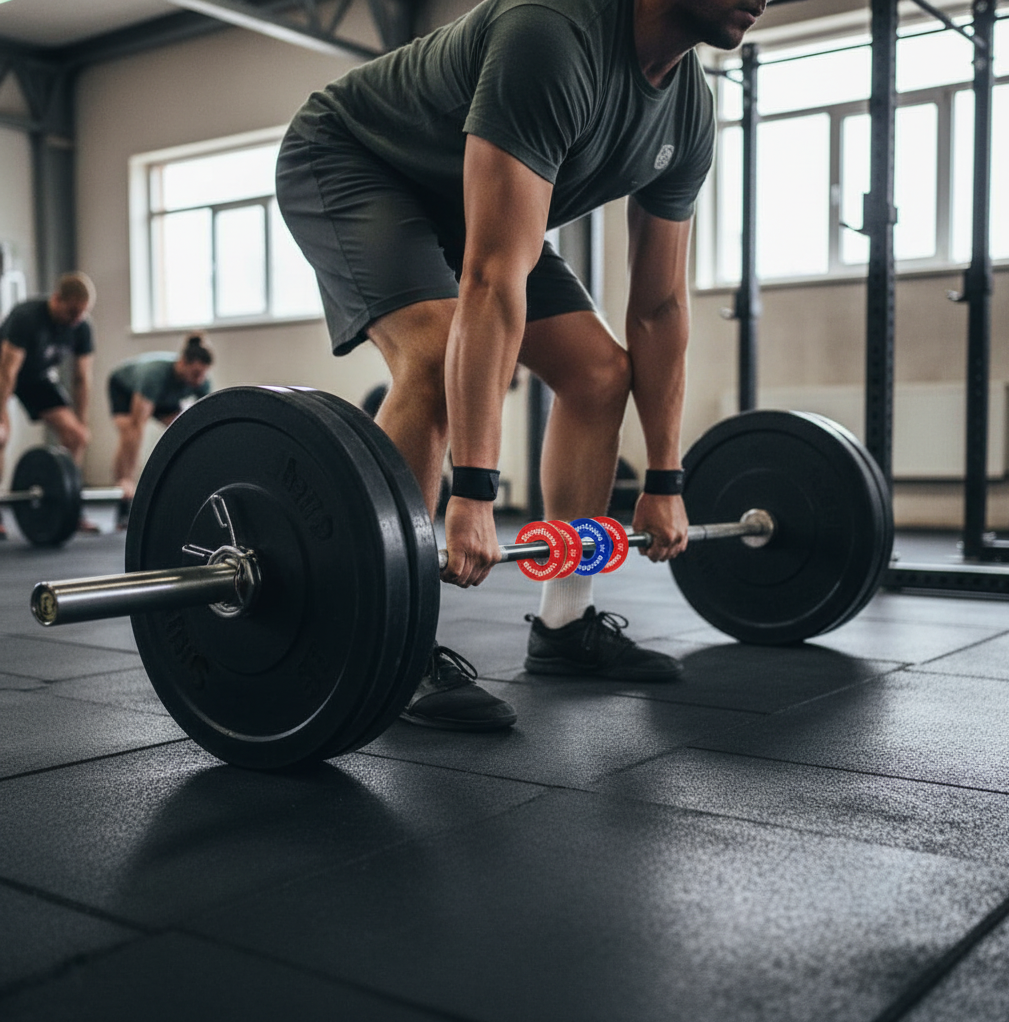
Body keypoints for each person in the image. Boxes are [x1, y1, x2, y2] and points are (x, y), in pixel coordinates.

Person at [276, 0, 767, 730]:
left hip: (476, 204)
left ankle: (566, 628)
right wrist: (472, 493)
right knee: (437, 353)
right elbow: (489, 277)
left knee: (599, 374)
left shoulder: (689, 110)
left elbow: (660, 307)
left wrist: (666, 479)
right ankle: (389, 642)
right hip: (357, 159)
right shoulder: (552, 32)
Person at [0, 272, 97, 540]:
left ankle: (68, 508)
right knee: (0, 436)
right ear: (56, 300)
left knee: (76, 436)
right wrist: (1, 416)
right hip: (4, 375)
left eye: (82, 313)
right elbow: (7, 372)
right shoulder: (26, 318)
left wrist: (82, 419)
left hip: (36, 380)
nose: (76, 319)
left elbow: (82, 379)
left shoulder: (82, 327)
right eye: (72, 312)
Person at [108, 334, 214, 527]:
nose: (199, 380)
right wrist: (130, 481)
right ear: (182, 364)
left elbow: (205, 424)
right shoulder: (155, 376)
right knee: (129, 434)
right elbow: (137, 427)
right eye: (196, 373)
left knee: (184, 430)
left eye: (203, 374)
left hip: (165, 398)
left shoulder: (201, 382)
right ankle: (124, 492)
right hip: (124, 387)